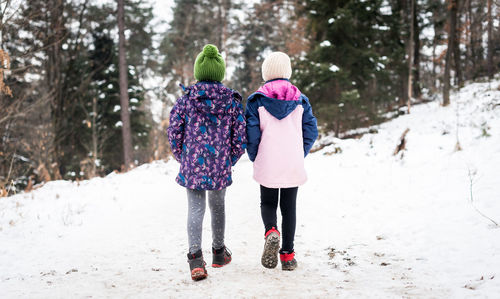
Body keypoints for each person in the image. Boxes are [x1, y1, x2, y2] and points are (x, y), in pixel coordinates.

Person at [167, 44, 246, 281]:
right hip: (219, 163)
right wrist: (229, 158)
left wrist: (183, 156)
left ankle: (195, 261)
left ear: (198, 72)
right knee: (218, 205)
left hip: (193, 163)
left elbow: (174, 131)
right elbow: (240, 136)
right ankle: (219, 253)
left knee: (195, 208)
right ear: (220, 73)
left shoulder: (186, 100)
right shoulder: (231, 102)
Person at [245, 51, 318, 271]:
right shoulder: (300, 99)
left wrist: (254, 155)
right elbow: (311, 131)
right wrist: (299, 151)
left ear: (265, 73)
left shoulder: (256, 101)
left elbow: (251, 133)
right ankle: (287, 256)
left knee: (267, 202)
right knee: (289, 207)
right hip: (291, 161)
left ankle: (271, 231)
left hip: (267, 159)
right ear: (287, 72)